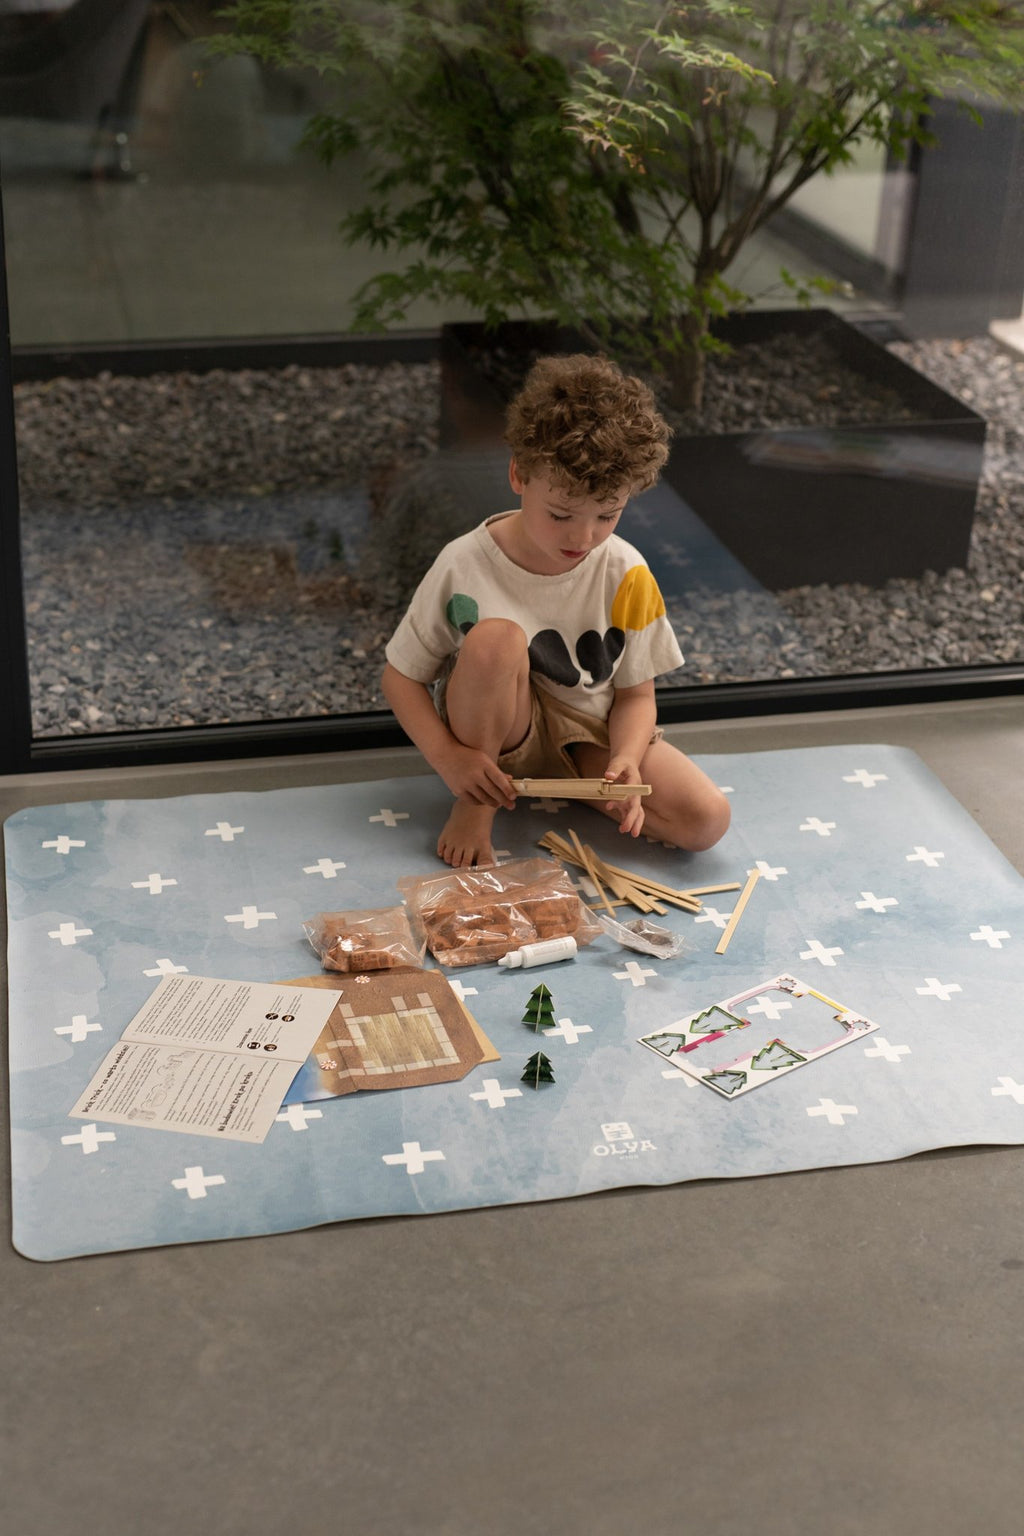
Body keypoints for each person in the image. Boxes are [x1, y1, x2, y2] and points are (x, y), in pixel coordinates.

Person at [381, 353, 731, 867]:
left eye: (607, 515)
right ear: (519, 475)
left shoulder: (626, 570)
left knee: (707, 820)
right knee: (496, 640)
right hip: (499, 730)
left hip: (588, 736)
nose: (583, 536)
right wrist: (450, 760)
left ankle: (580, 787)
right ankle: (478, 802)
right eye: (561, 514)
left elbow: (636, 696)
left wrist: (628, 761)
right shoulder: (464, 562)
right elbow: (400, 678)